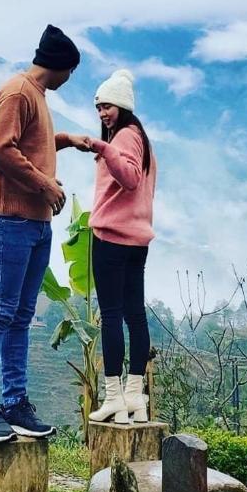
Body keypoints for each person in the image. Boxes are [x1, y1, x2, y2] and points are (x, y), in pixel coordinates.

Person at [0, 24, 86, 443]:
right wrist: (45, 184)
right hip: (10, 221)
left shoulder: (34, 96)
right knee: (0, 312)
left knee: (21, 316)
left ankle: (15, 403)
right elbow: (0, 148)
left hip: (36, 224)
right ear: (59, 67)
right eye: (69, 72)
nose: (68, 80)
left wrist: (65, 141)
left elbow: (30, 145)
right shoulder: (19, 92)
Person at [74, 68, 157, 424]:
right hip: (138, 239)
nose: (102, 113)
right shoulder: (140, 138)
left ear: (122, 107)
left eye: (108, 106)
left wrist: (102, 147)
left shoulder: (123, 138)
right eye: (98, 108)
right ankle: (136, 398)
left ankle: (114, 399)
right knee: (134, 315)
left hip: (111, 237)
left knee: (111, 316)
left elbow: (129, 178)